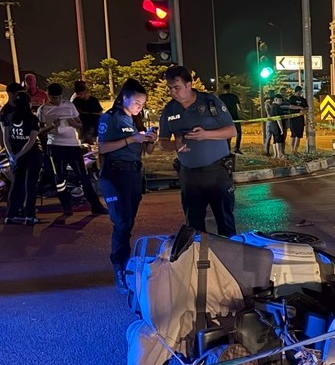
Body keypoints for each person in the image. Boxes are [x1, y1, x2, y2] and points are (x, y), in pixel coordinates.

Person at [158, 65, 237, 237]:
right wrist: (175, 145)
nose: (173, 92)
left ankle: (231, 261)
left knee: (225, 223)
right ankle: (199, 261)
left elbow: (231, 131)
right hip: (189, 176)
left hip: (216, 173)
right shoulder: (170, 109)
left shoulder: (210, 102)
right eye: (170, 88)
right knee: (193, 227)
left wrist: (206, 135)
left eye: (177, 88)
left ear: (188, 84)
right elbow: (162, 143)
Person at [98, 78, 155, 293]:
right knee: (121, 222)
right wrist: (132, 139)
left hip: (133, 174)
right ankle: (119, 266)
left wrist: (150, 139)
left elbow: (147, 152)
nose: (140, 107)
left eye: (143, 104)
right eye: (137, 102)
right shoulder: (110, 118)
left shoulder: (136, 121)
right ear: (124, 98)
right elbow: (102, 148)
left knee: (128, 222)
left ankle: (126, 263)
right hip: (114, 174)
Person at [41, 82, 105, 216]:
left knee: (83, 175)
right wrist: (52, 125)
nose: (57, 101)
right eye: (54, 98)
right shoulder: (43, 109)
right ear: (48, 96)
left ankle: (95, 205)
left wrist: (73, 123)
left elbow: (79, 124)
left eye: (59, 98)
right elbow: (41, 131)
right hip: (55, 146)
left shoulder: (69, 105)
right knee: (60, 177)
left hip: (72, 145)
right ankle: (66, 205)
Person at [4, 91, 43, 226]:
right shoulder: (32, 118)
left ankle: (10, 215)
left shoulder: (8, 117)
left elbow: (6, 138)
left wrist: (12, 155)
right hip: (31, 155)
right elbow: (32, 140)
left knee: (16, 184)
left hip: (15, 156)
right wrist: (20, 154)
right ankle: (29, 216)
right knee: (30, 185)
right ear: (29, 103)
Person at [72, 80, 103, 144]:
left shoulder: (93, 100)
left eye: (83, 93)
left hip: (93, 124)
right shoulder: (76, 101)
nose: (81, 96)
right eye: (79, 94)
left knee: (92, 141)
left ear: (87, 92)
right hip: (82, 125)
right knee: (84, 143)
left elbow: (100, 112)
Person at [218, 82, 243, 155]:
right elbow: (239, 108)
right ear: (230, 89)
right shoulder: (234, 96)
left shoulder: (220, 97)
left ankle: (228, 149)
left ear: (223, 89)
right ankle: (236, 148)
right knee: (239, 132)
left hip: (225, 118)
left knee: (227, 134)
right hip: (235, 117)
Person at [287, 85, 309, 153]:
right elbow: (290, 106)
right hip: (293, 119)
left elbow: (306, 108)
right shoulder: (292, 98)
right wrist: (299, 107)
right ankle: (292, 150)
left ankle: (295, 150)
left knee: (299, 135)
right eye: (299, 91)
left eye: (300, 92)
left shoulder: (303, 100)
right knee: (293, 134)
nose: (300, 93)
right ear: (296, 91)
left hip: (300, 119)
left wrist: (304, 111)